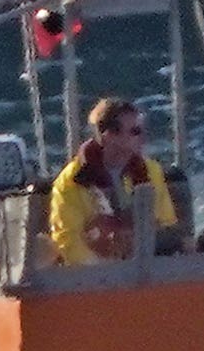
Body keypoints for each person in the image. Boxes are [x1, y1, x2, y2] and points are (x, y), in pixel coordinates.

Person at [46, 96, 189, 265]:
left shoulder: (152, 171)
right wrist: (105, 271)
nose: (143, 138)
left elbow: (166, 223)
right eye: (135, 131)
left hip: (147, 269)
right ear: (109, 135)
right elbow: (67, 240)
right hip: (94, 277)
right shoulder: (71, 181)